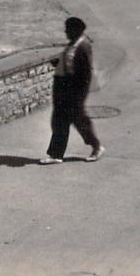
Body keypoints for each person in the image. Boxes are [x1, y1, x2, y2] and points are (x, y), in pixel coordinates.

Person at [40, 16, 104, 165]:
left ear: (76, 30)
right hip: (63, 87)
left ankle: (96, 147)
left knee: (79, 121)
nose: (66, 32)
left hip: (73, 90)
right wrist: (58, 62)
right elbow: (70, 62)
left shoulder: (83, 47)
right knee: (59, 121)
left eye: (68, 29)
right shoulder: (73, 44)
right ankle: (56, 155)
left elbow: (85, 74)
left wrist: (78, 96)